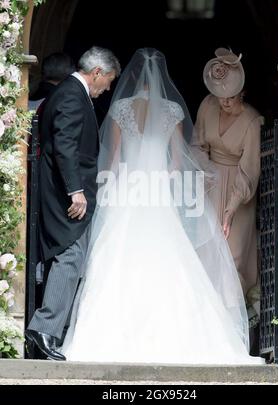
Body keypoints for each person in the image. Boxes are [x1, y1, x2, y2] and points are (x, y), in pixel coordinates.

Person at [60, 48, 264, 365]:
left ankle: (103, 335)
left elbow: (113, 161)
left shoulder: (121, 109)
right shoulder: (171, 110)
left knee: (117, 257)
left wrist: (108, 189)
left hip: (130, 190)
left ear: (133, 76)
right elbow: (178, 162)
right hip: (158, 193)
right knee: (170, 255)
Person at [25, 46, 121, 361]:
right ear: (96, 73)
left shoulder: (69, 92)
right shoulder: (70, 95)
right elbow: (65, 144)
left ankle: (45, 331)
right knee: (70, 255)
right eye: (107, 81)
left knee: (67, 256)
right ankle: (44, 331)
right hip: (65, 196)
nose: (107, 88)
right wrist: (75, 190)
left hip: (63, 192)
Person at [191, 48, 263, 299]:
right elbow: (197, 144)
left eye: (231, 96)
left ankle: (233, 313)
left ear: (242, 92)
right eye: (220, 96)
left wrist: (231, 209)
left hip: (238, 190)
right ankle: (206, 310)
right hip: (210, 182)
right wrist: (206, 171)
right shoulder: (207, 106)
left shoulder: (252, 121)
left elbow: (249, 171)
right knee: (207, 248)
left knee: (234, 255)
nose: (225, 101)